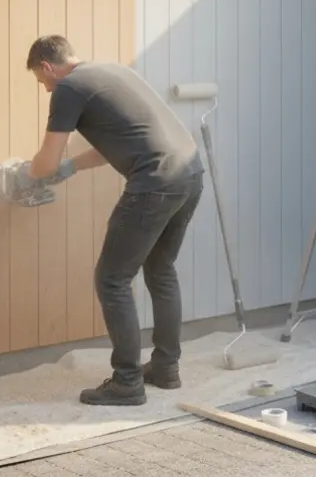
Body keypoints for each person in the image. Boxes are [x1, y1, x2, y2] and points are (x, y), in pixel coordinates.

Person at [20, 34, 205, 406]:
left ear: (46, 67)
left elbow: (45, 160)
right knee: (160, 269)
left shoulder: (68, 88)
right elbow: (123, 140)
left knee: (112, 279)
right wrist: (71, 168)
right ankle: (166, 369)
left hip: (154, 183)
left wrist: (29, 174)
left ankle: (126, 382)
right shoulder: (111, 72)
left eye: (42, 83)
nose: (46, 90)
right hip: (190, 173)